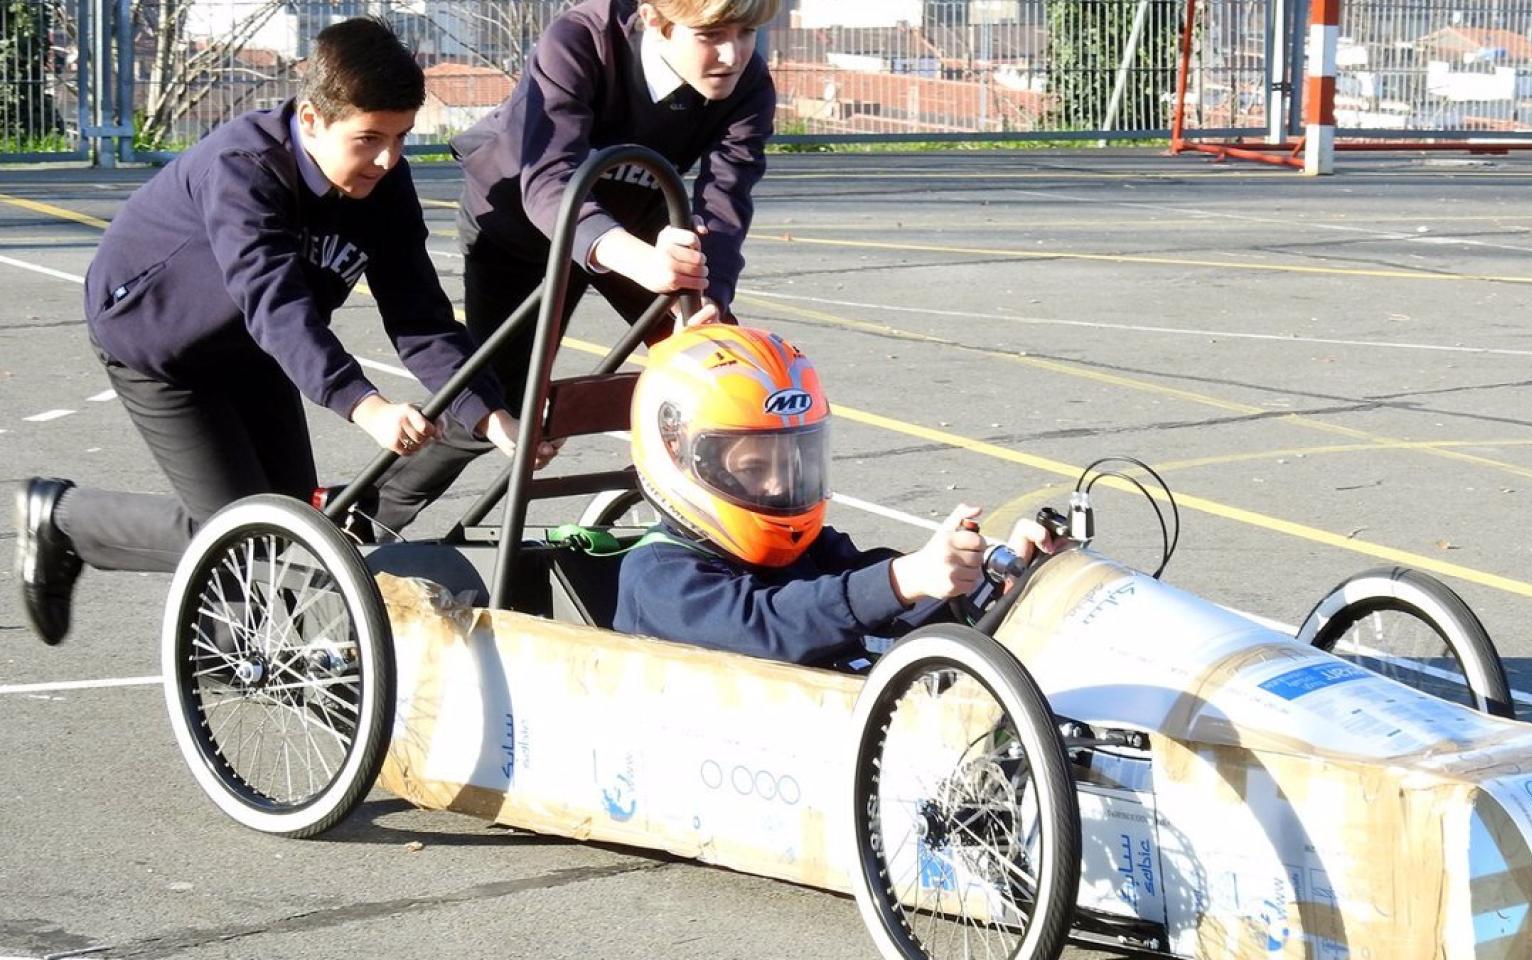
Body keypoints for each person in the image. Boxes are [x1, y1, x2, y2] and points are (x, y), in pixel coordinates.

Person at [12, 17, 550, 646]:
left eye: (401, 136)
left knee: (294, 529)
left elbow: (420, 315)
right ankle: (64, 520)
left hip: (253, 352)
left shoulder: (385, 183)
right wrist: (366, 404)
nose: (387, 158)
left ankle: (234, 654)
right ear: (312, 119)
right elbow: (276, 306)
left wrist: (490, 417)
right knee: (245, 534)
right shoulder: (244, 168)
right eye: (369, 138)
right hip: (159, 348)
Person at [373, 0, 780, 536]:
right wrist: (638, 259)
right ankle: (369, 514)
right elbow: (548, 183)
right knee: (493, 400)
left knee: (719, 365)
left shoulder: (748, 81)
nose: (733, 54)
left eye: (747, 33)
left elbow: (725, 206)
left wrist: (706, 299)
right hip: (518, 228)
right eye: (711, 35)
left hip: (635, 223)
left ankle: (729, 532)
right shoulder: (581, 40)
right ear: (655, 21)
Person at [612, 326, 1060, 668]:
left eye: (792, 464)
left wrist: (990, 578)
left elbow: (886, 602)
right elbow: (767, 627)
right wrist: (901, 578)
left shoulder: (809, 550)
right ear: (678, 456)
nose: (778, 486)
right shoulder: (658, 578)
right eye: (753, 469)